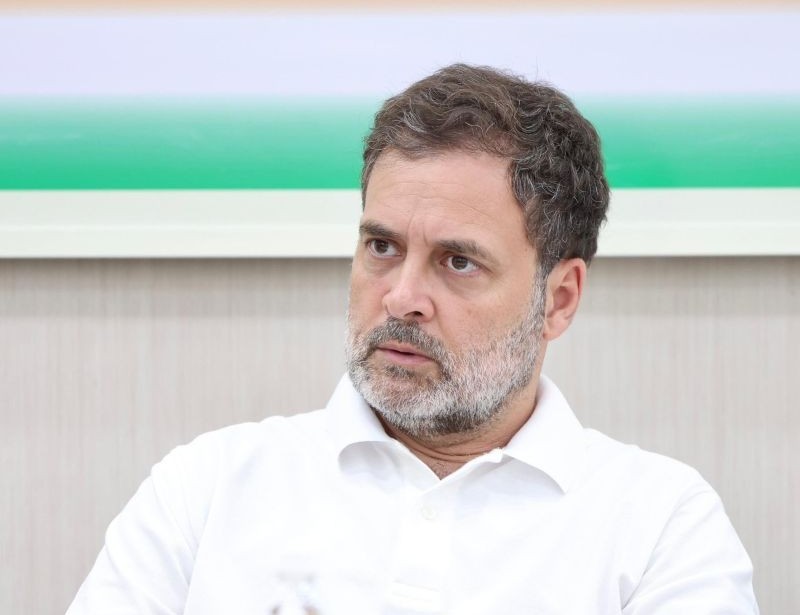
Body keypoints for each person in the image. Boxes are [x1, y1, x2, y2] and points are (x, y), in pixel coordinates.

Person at [67, 64, 758, 614]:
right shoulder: (207, 488)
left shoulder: (661, 525)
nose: (401, 298)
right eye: (382, 246)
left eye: (458, 261)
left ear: (559, 299)